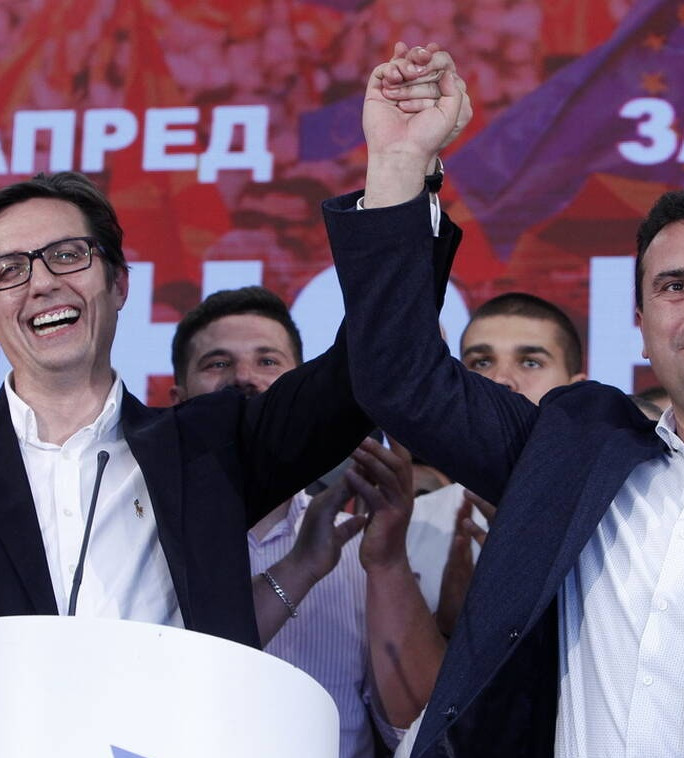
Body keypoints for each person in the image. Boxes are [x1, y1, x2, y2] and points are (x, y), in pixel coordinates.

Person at [325, 44, 684, 758]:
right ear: (641, 325)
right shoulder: (573, 447)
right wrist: (400, 165)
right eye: (674, 287)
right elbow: (400, 375)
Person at [0, 44, 462, 648]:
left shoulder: (210, 449)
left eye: (67, 255)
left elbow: (364, 365)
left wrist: (400, 168)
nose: (41, 282)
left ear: (118, 285)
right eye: (8, 268)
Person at [169, 286, 445, 758]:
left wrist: (387, 562)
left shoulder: (356, 544)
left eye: (267, 361)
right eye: (217, 363)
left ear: (301, 390)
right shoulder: (140, 538)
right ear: (178, 398)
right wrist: (299, 569)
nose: (244, 378)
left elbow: (415, 732)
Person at [408, 292, 587, 618]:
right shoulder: (412, 524)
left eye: (530, 362)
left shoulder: (606, 518)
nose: (501, 380)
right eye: (481, 362)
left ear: (575, 391)